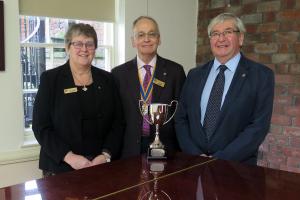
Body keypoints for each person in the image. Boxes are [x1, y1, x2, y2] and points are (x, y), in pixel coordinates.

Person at [175, 13, 274, 165]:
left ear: (240, 38)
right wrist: (195, 155)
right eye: (215, 33)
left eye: (228, 32)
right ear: (210, 40)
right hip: (193, 166)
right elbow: (181, 119)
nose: (221, 39)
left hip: (236, 170)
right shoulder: (194, 75)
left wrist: (219, 160)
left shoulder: (261, 76)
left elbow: (258, 127)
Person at [32, 23, 124, 176]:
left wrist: (106, 155)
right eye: (78, 44)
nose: (84, 49)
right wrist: (69, 157)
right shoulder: (50, 79)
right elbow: (41, 127)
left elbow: (118, 123)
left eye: (89, 44)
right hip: (60, 167)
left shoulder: (108, 79)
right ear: (67, 47)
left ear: (95, 48)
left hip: (100, 165)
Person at [112, 16, 186, 158]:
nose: (147, 39)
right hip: (128, 150)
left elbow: (181, 115)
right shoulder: (118, 74)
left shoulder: (175, 72)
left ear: (159, 39)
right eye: (140, 35)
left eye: (152, 34)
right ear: (133, 41)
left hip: (166, 149)